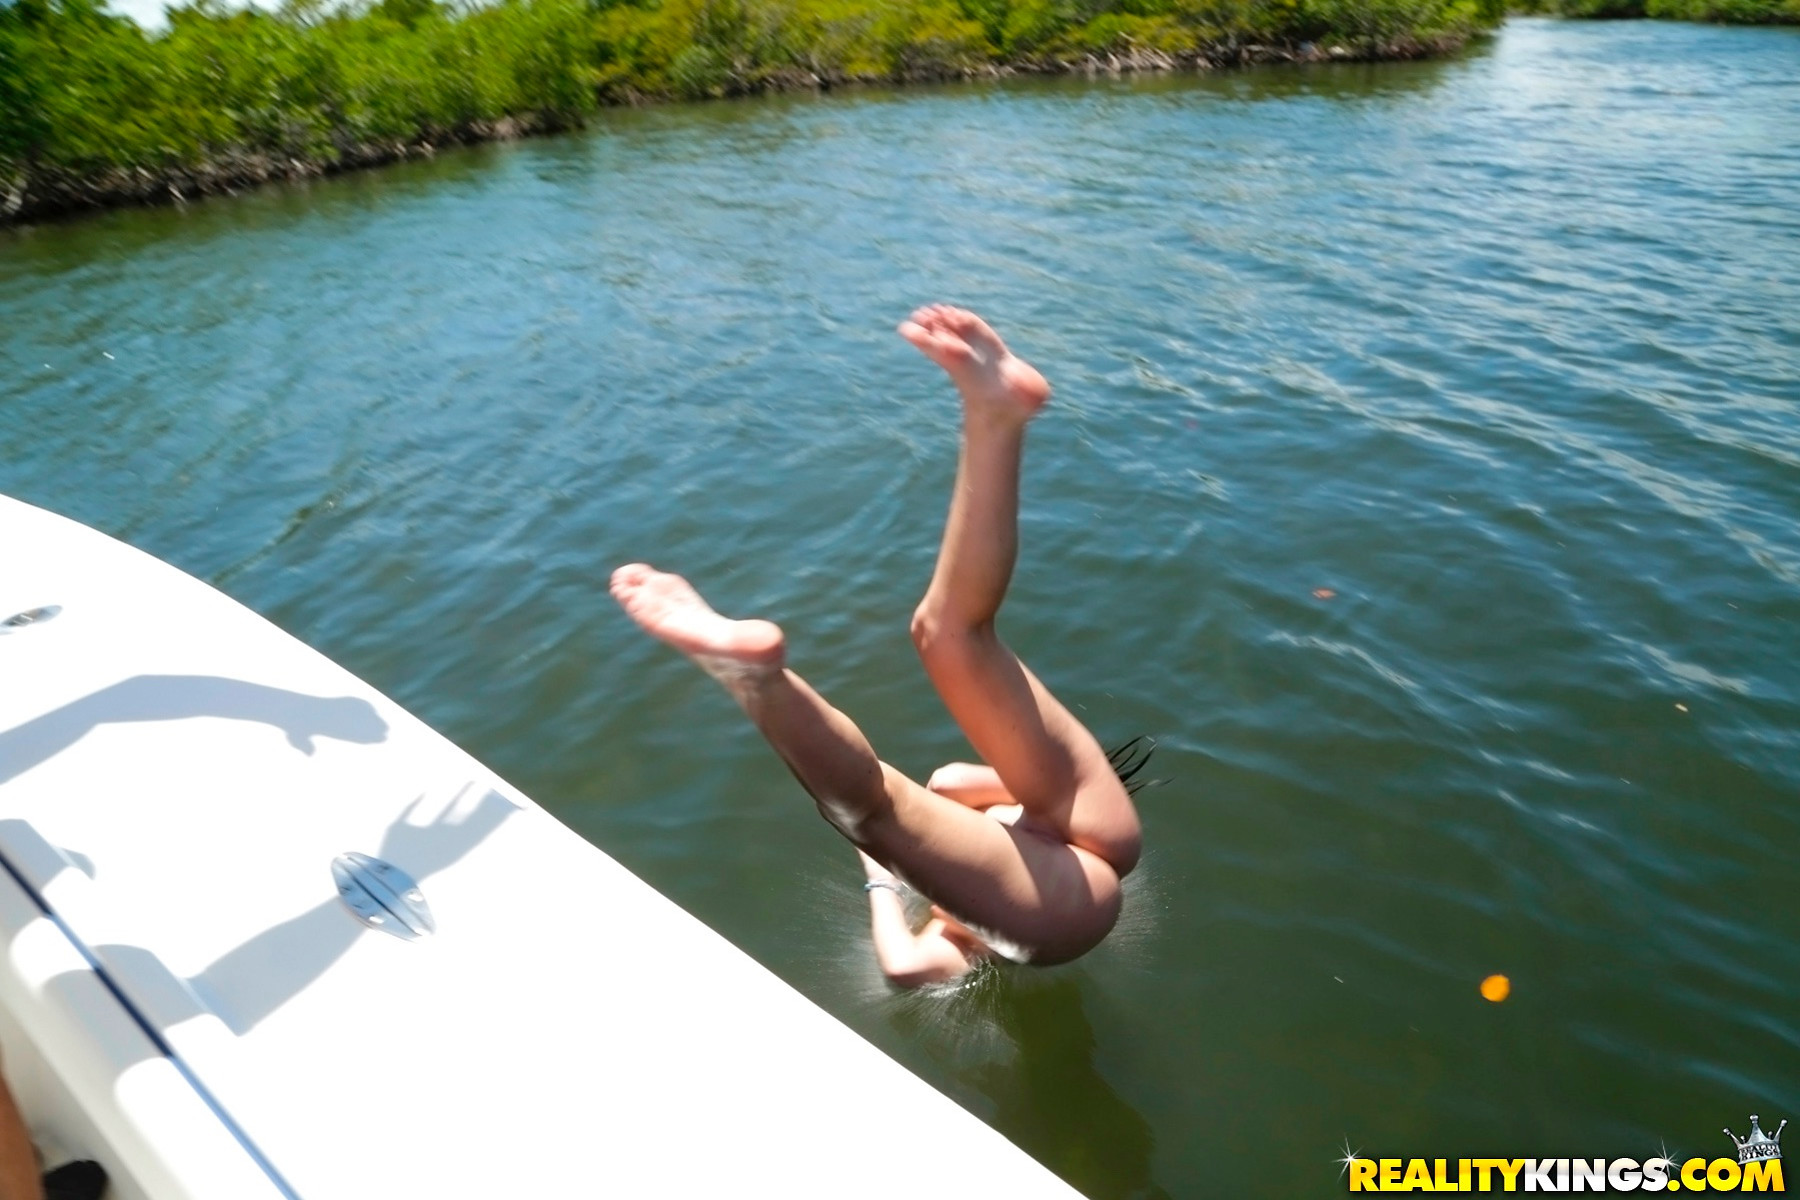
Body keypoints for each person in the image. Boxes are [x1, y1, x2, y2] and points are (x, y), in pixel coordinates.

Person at [611, 305, 1148, 985]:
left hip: (1093, 826)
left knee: (948, 637)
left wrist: (977, 831)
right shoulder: (962, 926)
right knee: (876, 806)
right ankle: (757, 678)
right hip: (1064, 892)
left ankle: (997, 412)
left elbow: (946, 805)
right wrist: (881, 875)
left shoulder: (964, 907)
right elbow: (902, 963)